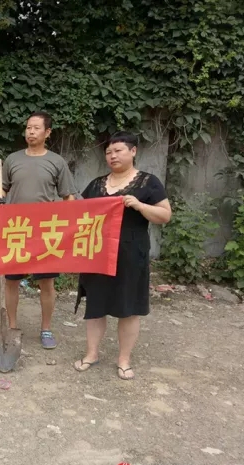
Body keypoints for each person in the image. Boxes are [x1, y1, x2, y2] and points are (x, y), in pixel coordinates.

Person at [73, 131, 172, 380]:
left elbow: (164, 215)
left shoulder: (148, 182)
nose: (112, 156)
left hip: (131, 253)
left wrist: (139, 205)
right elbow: (79, 214)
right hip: (97, 253)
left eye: (118, 151)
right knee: (96, 305)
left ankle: (124, 360)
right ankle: (91, 354)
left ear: (133, 151)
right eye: (108, 152)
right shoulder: (96, 184)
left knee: (129, 308)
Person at [0, 111, 77, 349]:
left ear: (47, 132)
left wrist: (68, 225)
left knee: (47, 282)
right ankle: (12, 327)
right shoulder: (12, 160)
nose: (31, 132)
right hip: (16, 230)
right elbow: (2, 189)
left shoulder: (56, 162)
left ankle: (46, 329)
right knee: (11, 281)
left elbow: (68, 196)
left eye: (36, 128)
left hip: (45, 232)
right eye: (28, 128)